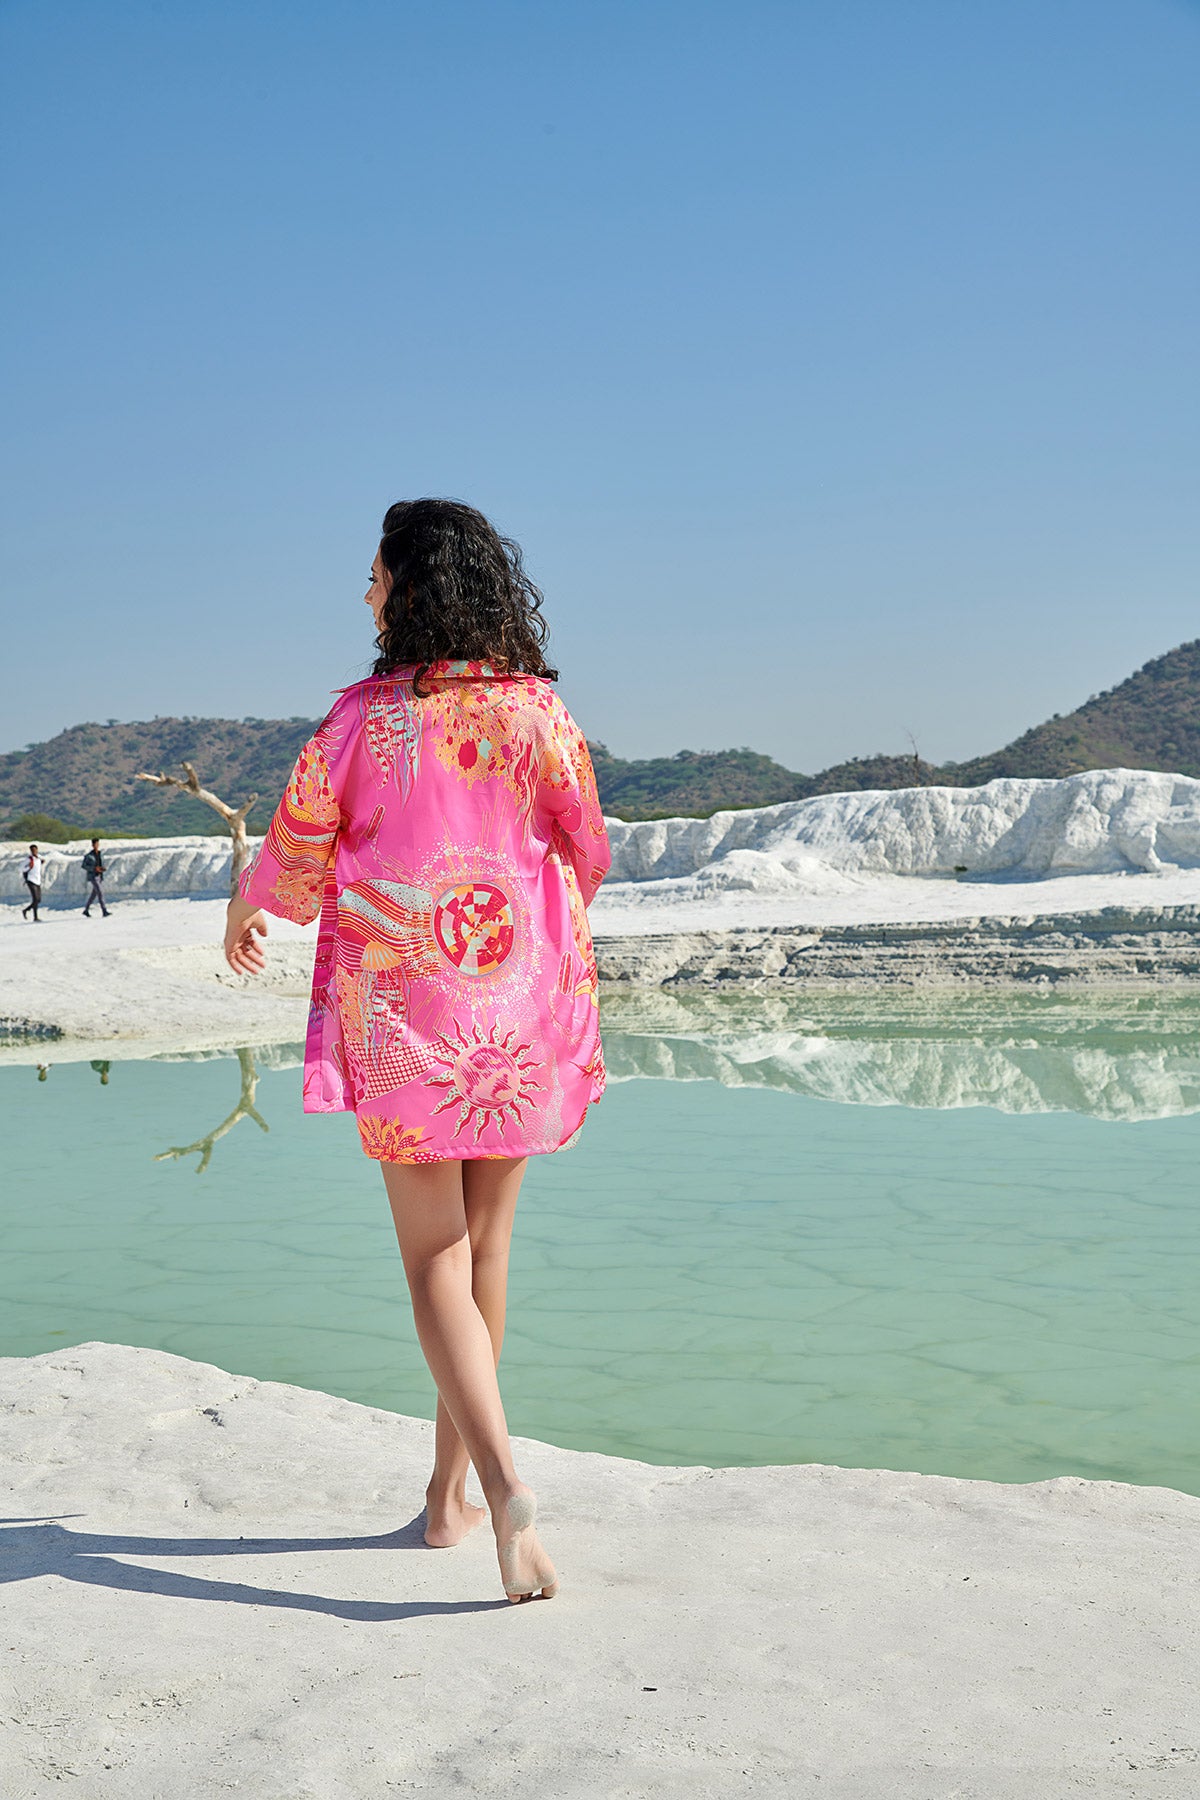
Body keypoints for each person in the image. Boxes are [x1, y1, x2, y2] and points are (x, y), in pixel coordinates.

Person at [224, 499, 610, 1603]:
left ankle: (491, 1488)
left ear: (412, 588)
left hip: (405, 1012)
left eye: (377, 575)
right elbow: (584, 845)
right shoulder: (541, 711)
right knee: (485, 1253)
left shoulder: (362, 720)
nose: (367, 593)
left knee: (432, 1257)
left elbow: (300, 844)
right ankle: (445, 1508)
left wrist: (249, 908)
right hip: (516, 1008)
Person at [82, 838, 110, 916]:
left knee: (93, 895)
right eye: (95, 844)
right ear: (92, 845)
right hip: (93, 876)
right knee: (100, 892)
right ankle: (104, 911)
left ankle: (86, 910)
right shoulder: (89, 856)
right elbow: (84, 865)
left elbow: (101, 863)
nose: (96, 846)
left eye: (97, 844)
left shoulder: (100, 854)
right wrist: (94, 869)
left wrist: (102, 868)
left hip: (99, 876)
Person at [21, 843, 43, 921]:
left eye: (35, 850)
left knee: (38, 900)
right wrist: (28, 867)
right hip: (31, 880)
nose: (34, 851)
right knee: (35, 899)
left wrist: (42, 862)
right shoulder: (28, 859)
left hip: (38, 880)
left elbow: (40, 864)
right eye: (32, 850)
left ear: (37, 850)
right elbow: (21, 868)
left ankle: (26, 910)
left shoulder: (39, 858)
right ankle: (35, 917)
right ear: (30, 851)